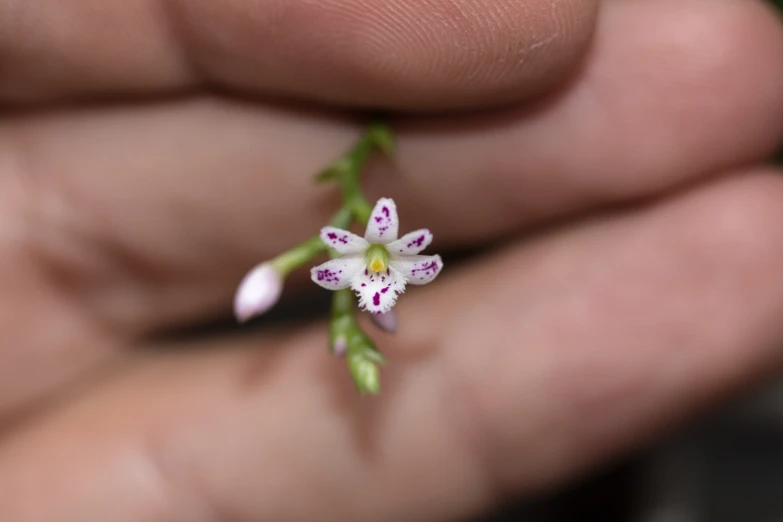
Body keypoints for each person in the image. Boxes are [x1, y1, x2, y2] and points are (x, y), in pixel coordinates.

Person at [0, 0, 782, 520]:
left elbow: (382, 257)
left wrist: (366, 264)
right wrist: (363, 267)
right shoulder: (362, 248)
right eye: (373, 265)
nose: (378, 271)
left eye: (380, 264)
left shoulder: (373, 245)